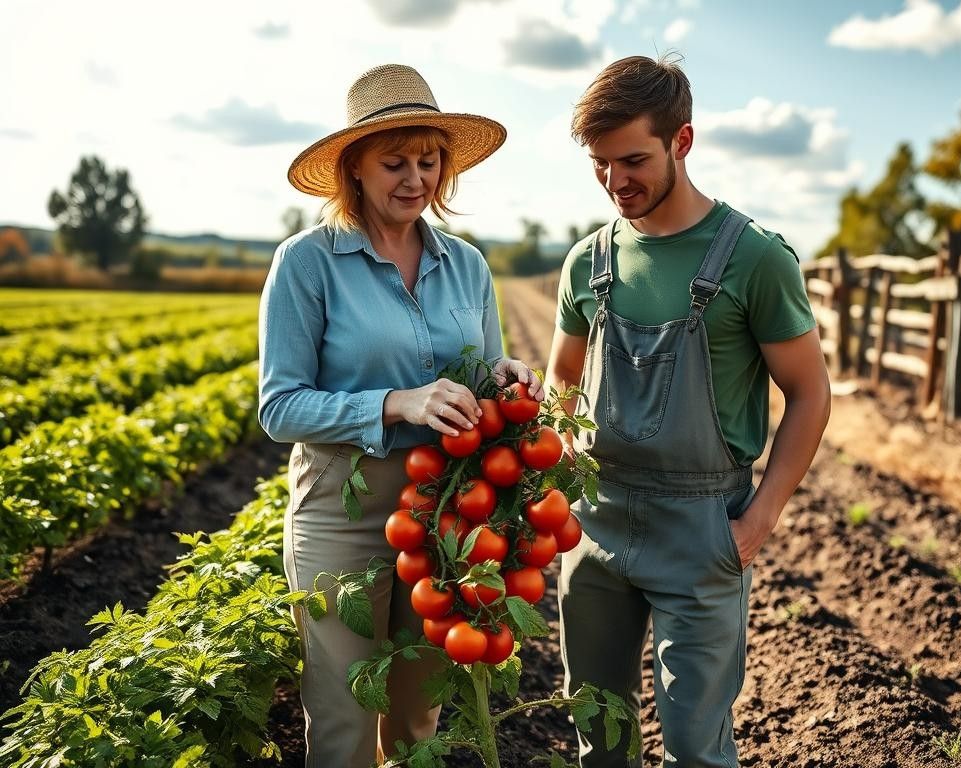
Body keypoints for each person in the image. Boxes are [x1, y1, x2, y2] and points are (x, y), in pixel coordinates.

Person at [545, 55, 831, 767]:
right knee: (598, 740)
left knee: (696, 749)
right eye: (600, 165)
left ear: (684, 141)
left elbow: (810, 393)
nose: (616, 182)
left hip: (702, 526)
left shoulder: (756, 259)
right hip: (597, 524)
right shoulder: (588, 261)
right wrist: (563, 452)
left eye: (633, 159)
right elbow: (561, 372)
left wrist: (761, 515)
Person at [258, 63, 542, 768]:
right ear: (353, 168)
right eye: (395, 162)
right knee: (344, 716)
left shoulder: (469, 266)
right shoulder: (307, 263)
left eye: (429, 161)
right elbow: (279, 405)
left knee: (420, 720)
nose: (415, 178)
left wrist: (505, 384)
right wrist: (394, 403)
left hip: (445, 517)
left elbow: (483, 377)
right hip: (341, 516)